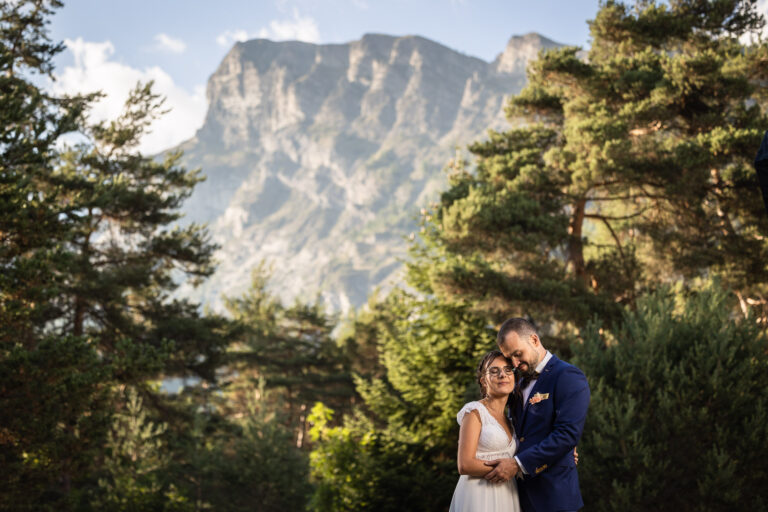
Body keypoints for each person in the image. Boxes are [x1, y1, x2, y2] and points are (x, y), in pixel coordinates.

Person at [485, 317, 590, 512]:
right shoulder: (517, 384)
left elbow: (567, 434)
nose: (515, 363)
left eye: (518, 354)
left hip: (554, 497)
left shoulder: (568, 376)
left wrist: (517, 464)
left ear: (534, 340)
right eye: (510, 358)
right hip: (518, 496)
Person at [449, 350, 521, 512]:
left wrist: (566, 450)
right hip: (479, 495)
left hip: (508, 493)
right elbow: (464, 464)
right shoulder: (474, 412)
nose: (502, 375)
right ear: (484, 381)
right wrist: (508, 468)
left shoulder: (511, 418)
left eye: (508, 370)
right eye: (494, 371)